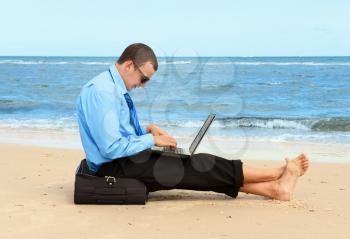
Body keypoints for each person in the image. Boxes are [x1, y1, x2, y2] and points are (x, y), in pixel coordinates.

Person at [76, 43, 309, 201]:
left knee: (194, 168)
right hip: (113, 166)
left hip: (122, 159)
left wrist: (145, 129)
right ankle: (275, 174)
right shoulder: (103, 92)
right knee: (197, 166)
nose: (143, 85)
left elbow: (117, 132)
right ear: (129, 65)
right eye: (143, 78)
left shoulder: (112, 87)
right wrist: (152, 139)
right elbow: (111, 147)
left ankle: (274, 188)